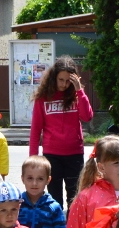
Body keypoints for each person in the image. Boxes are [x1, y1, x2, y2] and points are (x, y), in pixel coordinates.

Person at [29, 56, 94, 209]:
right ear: (54, 77)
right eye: (61, 80)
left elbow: (87, 116)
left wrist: (79, 91)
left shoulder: (76, 95)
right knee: (54, 198)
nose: (64, 84)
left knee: (74, 198)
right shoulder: (43, 98)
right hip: (52, 155)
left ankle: (72, 224)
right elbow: (36, 129)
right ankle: (57, 224)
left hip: (74, 154)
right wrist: (33, 157)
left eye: (68, 81)